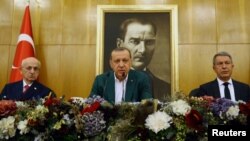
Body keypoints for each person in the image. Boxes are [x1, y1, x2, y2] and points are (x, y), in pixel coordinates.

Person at [116, 17, 171, 101]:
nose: (143, 50)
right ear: (120, 44)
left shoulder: (166, 89)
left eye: (149, 42)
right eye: (134, 41)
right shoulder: (103, 84)